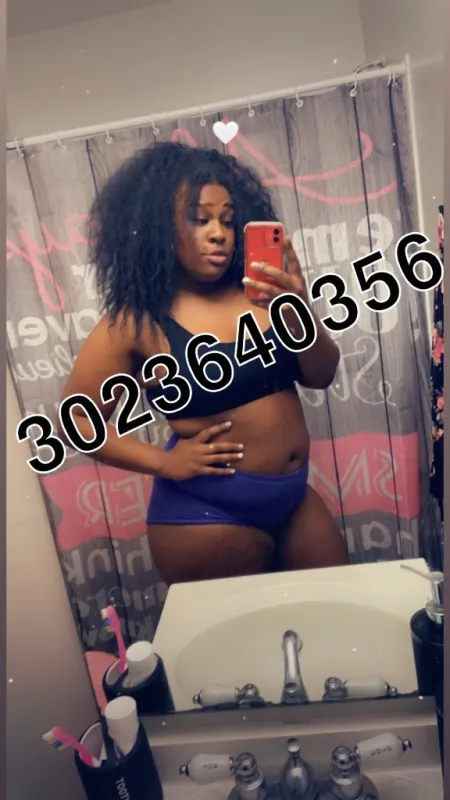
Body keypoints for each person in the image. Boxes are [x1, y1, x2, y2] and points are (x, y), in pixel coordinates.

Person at [58, 141, 349, 586]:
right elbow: (75, 421)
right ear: (160, 228)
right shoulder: (136, 322)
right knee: (241, 633)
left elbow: (322, 375)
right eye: (200, 219)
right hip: (204, 515)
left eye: (227, 221)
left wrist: (297, 307)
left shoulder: (262, 294)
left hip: (294, 500)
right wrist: (164, 462)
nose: (219, 234)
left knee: (339, 609)